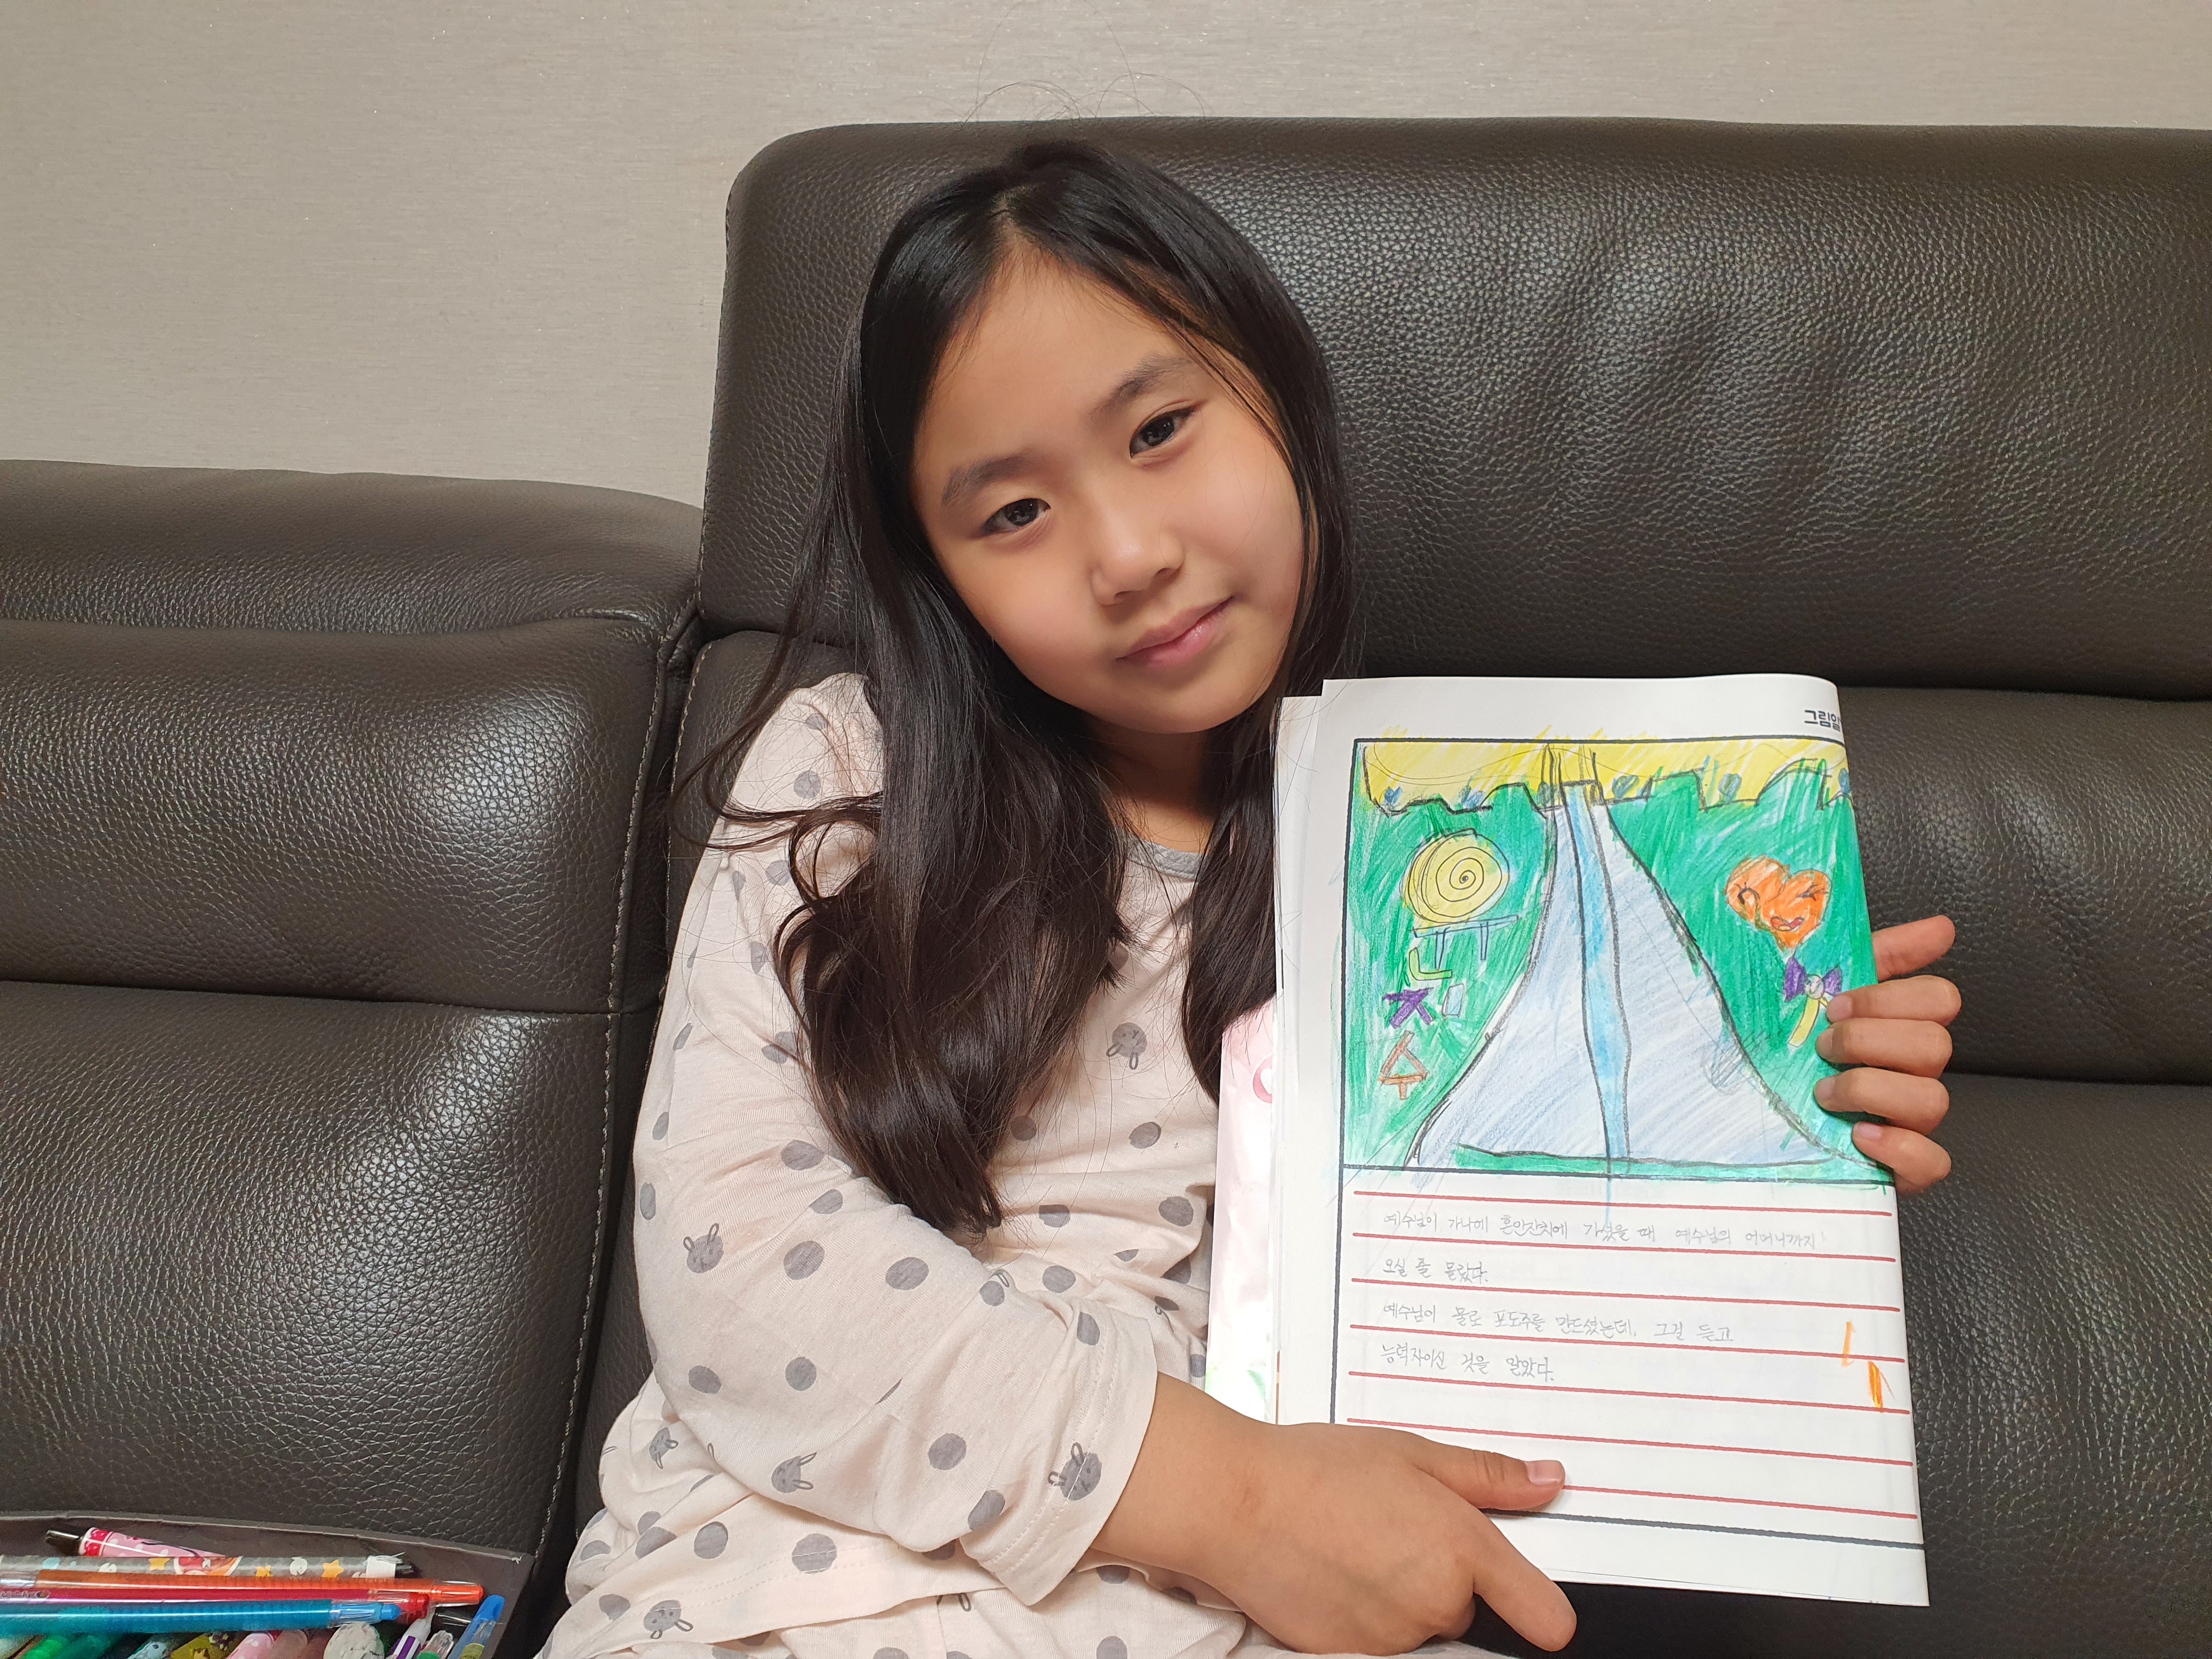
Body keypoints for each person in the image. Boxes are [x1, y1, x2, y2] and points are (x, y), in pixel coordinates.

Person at [543, 141, 1962, 1659]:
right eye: (1012, 514)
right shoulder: (849, 773)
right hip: (792, 1582)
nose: (1129, 557)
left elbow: (1519, 1373)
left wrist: (1770, 1110)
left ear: (1282, 403)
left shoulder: (1450, 857)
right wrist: (1230, 1500)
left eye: (1160, 430)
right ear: (940, 578)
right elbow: (740, 1254)